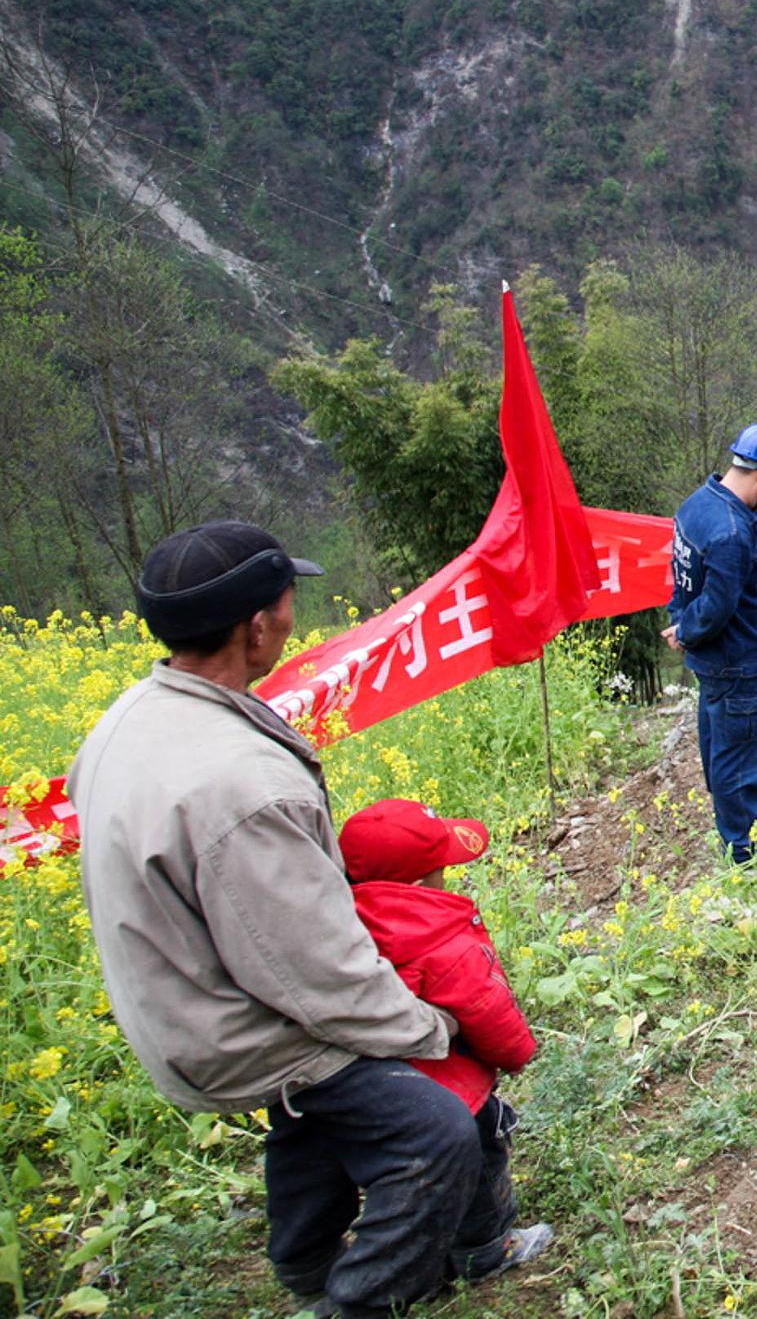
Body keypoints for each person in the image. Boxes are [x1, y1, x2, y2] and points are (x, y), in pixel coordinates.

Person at [67, 521, 549, 1317]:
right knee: (435, 1128)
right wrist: (430, 1030)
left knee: (329, 1109)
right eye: (289, 603)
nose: (294, 619)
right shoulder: (244, 784)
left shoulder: (129, 718)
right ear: (258, 627)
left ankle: (306, 1260)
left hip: (171, 999)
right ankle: (366, 1297)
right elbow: (312, 971)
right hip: (231, 1025)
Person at [338, 799, 550, 1284]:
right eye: (440, 869)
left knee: (406, 1173)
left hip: (379, 1090)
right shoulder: (444, 940)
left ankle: (420, 1243)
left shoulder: (342, 930)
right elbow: (488, 1012)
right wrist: (520, 1053)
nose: (447, 877)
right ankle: (486, 1248)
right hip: (454, 1087)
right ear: (417, 884)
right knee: (483, 1155)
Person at [665, 423, 757, 863]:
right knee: (739, 759)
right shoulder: (732, 533)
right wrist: (685, 631)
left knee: (720, 747)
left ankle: (733, 830)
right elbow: (717, 606)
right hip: (738, 661)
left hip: (717, 661)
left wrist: (679, 621)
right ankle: (746, 851)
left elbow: (683, 579)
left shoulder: (696, 506)